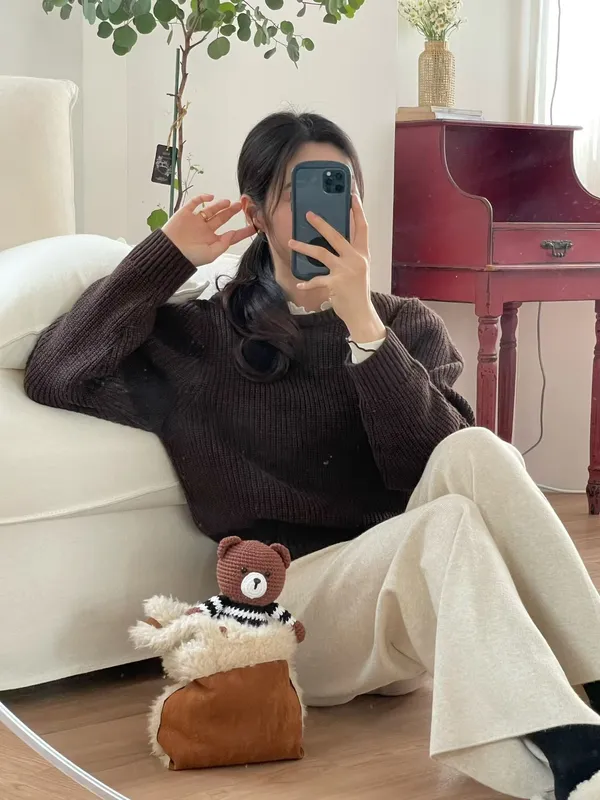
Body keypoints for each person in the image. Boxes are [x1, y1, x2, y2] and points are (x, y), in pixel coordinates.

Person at [24, 111, 600, 800]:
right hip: (291, 617)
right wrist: (166, 256)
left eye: (341, 186)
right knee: (443, 524)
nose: (328, 209)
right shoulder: (195, 340)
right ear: (255, 213)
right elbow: (56, 373)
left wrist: (363, 327)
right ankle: (565, 752)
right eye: (303, 191)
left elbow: (428, 468)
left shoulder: (402, 324)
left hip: (410, 603)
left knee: (475, 448)